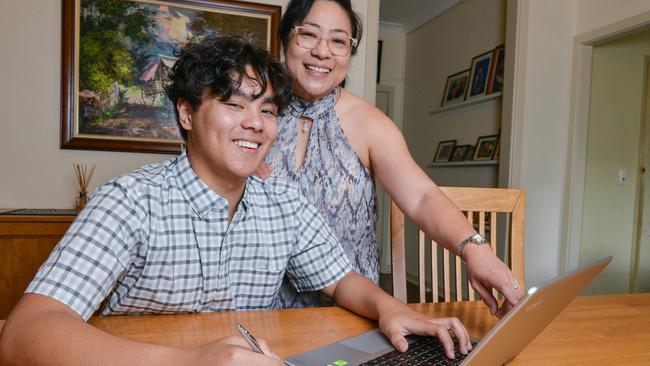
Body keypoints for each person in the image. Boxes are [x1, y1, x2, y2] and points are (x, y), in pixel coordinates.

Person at [0, 35, 472, 366]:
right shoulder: (128, 202)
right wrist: (188, 363)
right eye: (233, 104)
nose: (256, 123)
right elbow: (24, 334)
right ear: (186, 113)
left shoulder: (285, 202)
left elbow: (342, 280)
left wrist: (393, 309)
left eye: (267, 109)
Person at [263, 0, 522, 315]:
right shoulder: (253, 115)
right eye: (309, 35)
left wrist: (475, 250)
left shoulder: (370, 123)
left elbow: (422, 196)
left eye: (338, 40)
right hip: (261, 313)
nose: (322, 51)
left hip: (351, 312)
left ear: (350, 51)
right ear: (286, 38)